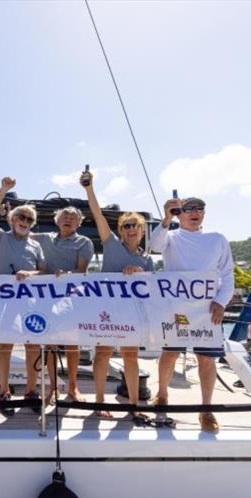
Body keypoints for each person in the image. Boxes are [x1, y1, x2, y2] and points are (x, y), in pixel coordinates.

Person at [149, 195, 234, 433]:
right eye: (188, 209)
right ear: (179, 213)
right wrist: (166, 218)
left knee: (206, 360)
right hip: (175, 308)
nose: (194, 212)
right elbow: (154, 246)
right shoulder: (171, 237)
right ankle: (162, 396)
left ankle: (206, 409)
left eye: (199, 208)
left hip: (207, 310)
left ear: (204, 213)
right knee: (170, 354)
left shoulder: (217, 239)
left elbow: (227, 275)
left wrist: (221, 301)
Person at [82, 168, 154, 420]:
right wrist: (89, 187)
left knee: (130, 356)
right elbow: (97, 214)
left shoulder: (147, 261)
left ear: (142, 230)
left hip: (133, 314)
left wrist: (139, 273)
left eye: (135, 225)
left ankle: (134, 406)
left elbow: (152, 291)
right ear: (121, 231)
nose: (131, 228)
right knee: (102, 353)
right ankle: (100, 402)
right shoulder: (111, 244)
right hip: (108, 311)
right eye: (126, 226)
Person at [0, 177, 47, 416]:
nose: (26, 222)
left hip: (31, 303)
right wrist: (3, 190)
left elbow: (43, 270)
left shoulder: (36, 245)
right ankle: (4, 392)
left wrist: (29, 273)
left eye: (30, 220)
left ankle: (31, 392)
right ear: (12, 219)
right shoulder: (0, 238)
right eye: (22, 217)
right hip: (5, 302)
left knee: (32, 348)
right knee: (5, 347)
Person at [31, 206, 94, 402]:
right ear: (57, 220)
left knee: (71, 344)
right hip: (45, 299)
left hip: (71, 298)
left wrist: (67, 274)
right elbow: (21, 232)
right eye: (64, 216)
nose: (68, 220)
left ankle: (73, 387)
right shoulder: (45, 238)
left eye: (73, 218)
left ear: (79, 223)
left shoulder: (84, 242)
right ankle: (54, 387)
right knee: (49, 344)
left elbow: (82, 270)